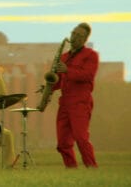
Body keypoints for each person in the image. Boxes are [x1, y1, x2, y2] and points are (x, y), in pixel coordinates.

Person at [49, 22, 99, 168]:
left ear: (85, 39)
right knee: (63, 142)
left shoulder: (91, 55)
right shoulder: (64, 56)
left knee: (81, 138)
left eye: (79, 36)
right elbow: (59, 80)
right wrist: (49, 86)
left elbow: (88, 75)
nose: (74, 37)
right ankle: (71, 169)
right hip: (64, 102)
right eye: (73, 33)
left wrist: (67, 70)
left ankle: (92, 168)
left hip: (80, 102)